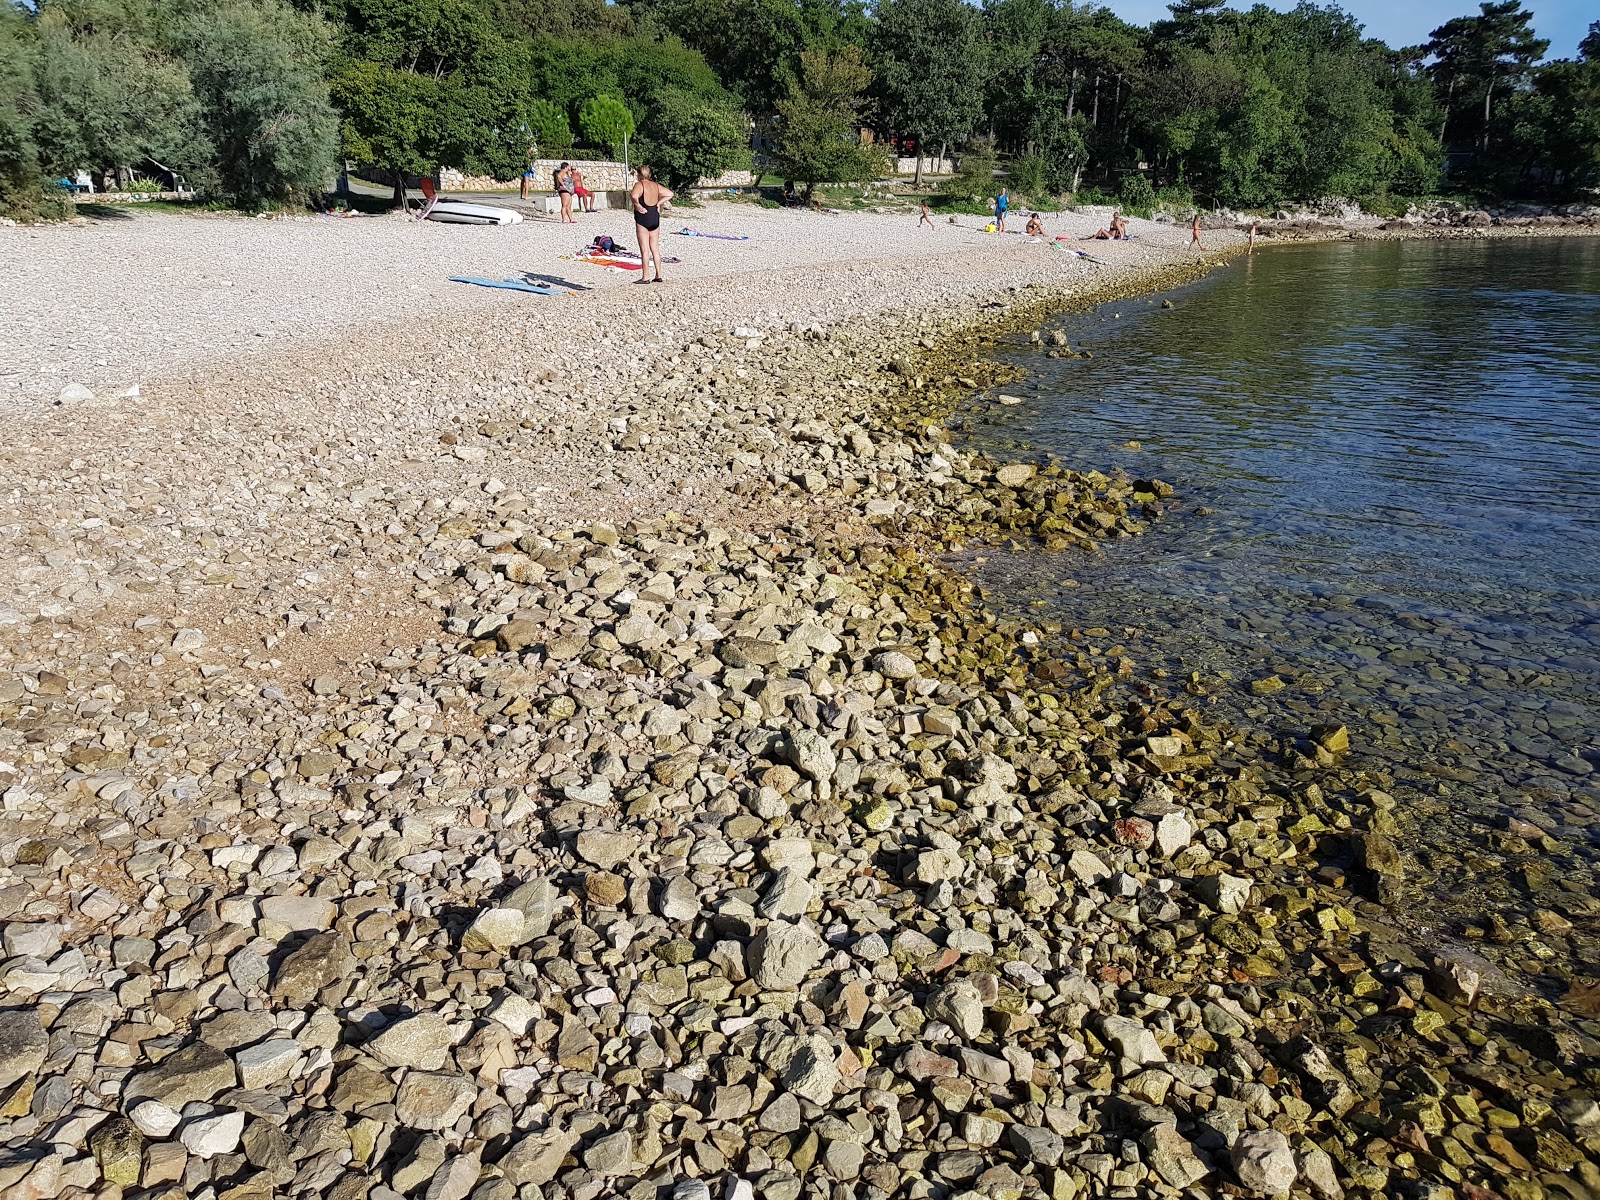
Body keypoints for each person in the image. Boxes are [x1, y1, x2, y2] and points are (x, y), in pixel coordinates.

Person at [629, 165, 673, 283]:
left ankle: (645, 277)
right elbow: (670, 194)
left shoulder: (639, 185)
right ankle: (658, 275)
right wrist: (659, 203)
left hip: (643, 217)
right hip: (654, 217)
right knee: (655, 248)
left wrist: (637, 205)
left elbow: (633, 195)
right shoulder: (656, 185)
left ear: (639, 174)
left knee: (645, 250)